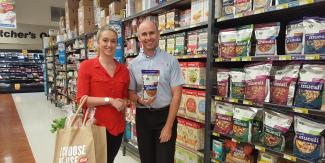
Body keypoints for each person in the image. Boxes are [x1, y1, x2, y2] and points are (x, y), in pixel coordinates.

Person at [128, 20, 184, 163]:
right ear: (139, 38)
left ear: (158, 34)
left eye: (152, 33)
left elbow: (177, 95)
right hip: (143, 117)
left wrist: (168, 126)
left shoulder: (171, 61)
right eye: (144, 34)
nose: (148, 37)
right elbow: (131, 93)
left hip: (165, 117)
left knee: (164, 160)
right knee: (147, 159)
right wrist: (140, 99)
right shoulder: (133, 64)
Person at [76, 26, 130, 163]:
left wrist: (124, 102)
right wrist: (109, 100)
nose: (109, 45)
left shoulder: (123, 70)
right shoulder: (86, 67)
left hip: (117, 128)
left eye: (113, 41)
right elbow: (81, 99)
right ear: (98, 42)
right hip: (94, 126)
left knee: (109, 160)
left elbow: (125, 97)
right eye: (105, 40)